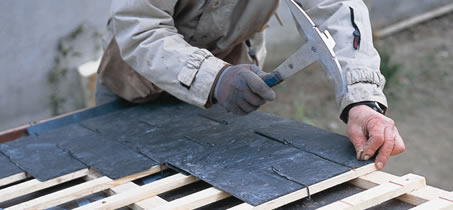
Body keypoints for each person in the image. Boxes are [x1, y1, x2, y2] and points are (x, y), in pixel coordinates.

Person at [95, 0, 405, 169]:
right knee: (120, 181)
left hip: (226, 96)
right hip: (135, 86)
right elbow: (141, 29)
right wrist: (213, 77)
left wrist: (362, 100)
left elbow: (337, 9)